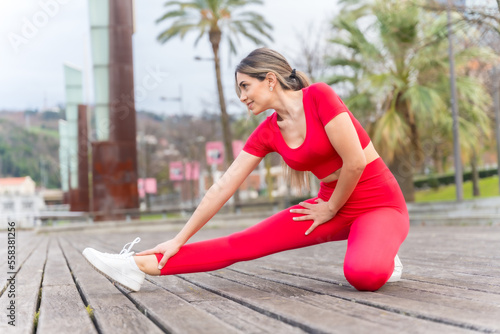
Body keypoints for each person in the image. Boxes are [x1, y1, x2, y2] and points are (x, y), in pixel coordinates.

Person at [83, 48, 409, 292]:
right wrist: (178, 239)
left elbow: (355, 163)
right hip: (327, 207)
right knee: (242, 243)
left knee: (363, 276)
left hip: (376, 202)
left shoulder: (320, 97)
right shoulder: (268, 132)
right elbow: (223, 186)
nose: (241, 97)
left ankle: (379, 246)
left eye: (245, 87)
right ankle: (135, 265)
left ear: (269, 80)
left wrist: (331, 208)